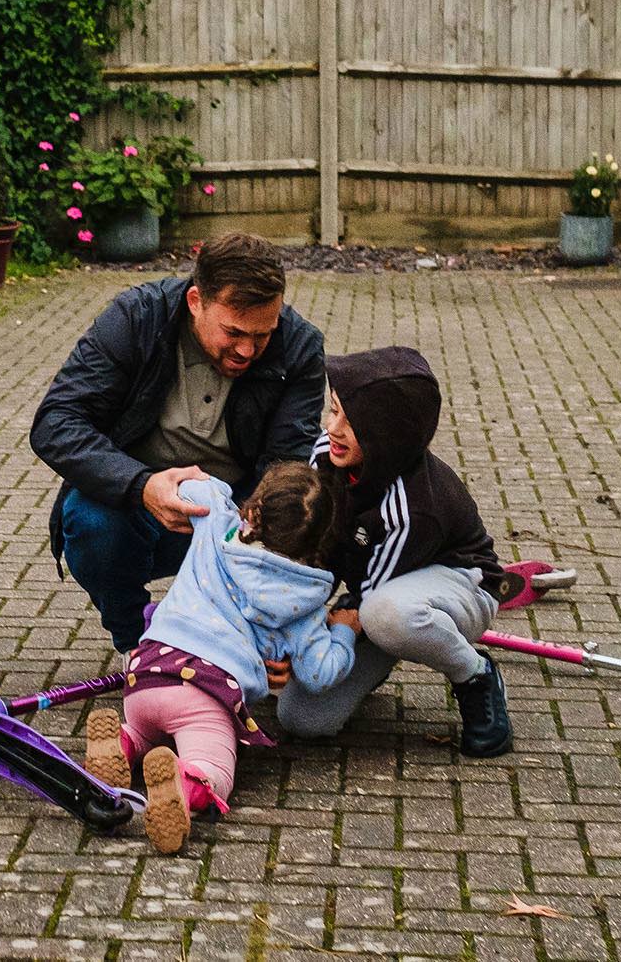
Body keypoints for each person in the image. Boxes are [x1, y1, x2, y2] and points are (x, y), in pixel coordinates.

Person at [30, 232, 326, 651]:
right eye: (234, 332)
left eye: (263, 334)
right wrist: (141, 486)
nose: (247, 349)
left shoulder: (299, 345)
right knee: (90, 522)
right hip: (137, 502)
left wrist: (259, 532)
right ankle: (138, 644)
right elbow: (55, 422)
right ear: (195, 302)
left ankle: (244, 639)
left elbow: (286, 465)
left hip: (236, 508)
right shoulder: (136, 319)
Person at [84, 464, 355, 853]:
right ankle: (186, 787)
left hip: (145, 672)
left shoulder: (216, 526)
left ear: (255, 508)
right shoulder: (305, 600)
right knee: (213, 765)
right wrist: (344, 630)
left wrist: (205, 480)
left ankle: (124, 743)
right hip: (204, 693)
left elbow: (198, 488)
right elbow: (319, 673)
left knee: (148, 731)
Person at [279, 347, 514, 757]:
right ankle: (372, 666)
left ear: (383, 435)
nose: (332, 428)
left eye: (350, 423)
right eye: (333, 411)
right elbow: (317, 556)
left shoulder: (412, 508)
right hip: (381, 589)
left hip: (458, 587)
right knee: (302, 719)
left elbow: (363, 603)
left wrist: (320, 638)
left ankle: (475, 675)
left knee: (387, 616)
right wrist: (279, 634)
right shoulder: (325, 457)